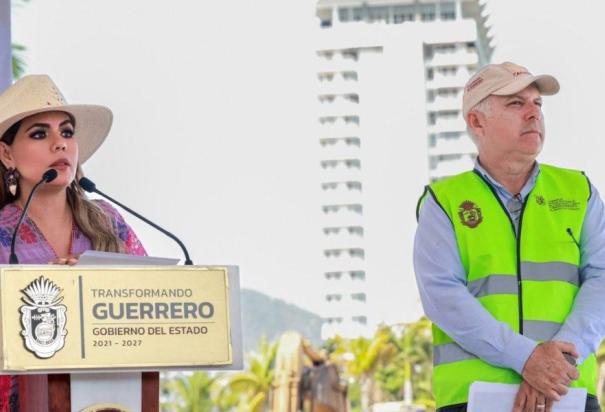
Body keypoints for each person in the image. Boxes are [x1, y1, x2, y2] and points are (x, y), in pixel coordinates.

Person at [414, 62, 605, 412]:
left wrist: (557, 363)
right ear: (476, 121)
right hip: (471, 400)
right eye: (516, 104)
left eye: (538, 104)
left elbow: (603, 278)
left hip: (566, 395)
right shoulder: (443, 203)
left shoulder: (579, 192)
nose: (533, 113)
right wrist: (527, 358)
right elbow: (442, 296)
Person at [0, 74, 146, 410]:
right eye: (40, 133)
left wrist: (95, 284)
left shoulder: (108, 221)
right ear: (7, 154)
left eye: (67, 132)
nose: (60, 143)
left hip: (111, 399)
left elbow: (150, 296)